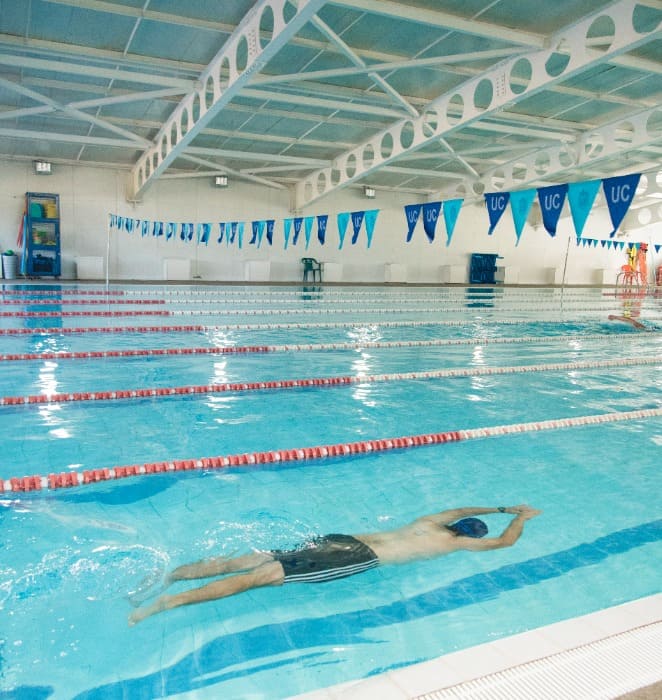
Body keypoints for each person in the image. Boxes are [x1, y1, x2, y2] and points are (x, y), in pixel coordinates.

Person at [128, 504, 541, 625]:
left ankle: (172, 573)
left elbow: (460, 507)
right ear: (472, 537)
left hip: (342, 538)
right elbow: (505, 544)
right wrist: (520, 519)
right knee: (257, 579)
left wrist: (503, 506)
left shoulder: (427, 522)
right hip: (359, 557)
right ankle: (167, 604)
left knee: (247, 559)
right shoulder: (457, 547)